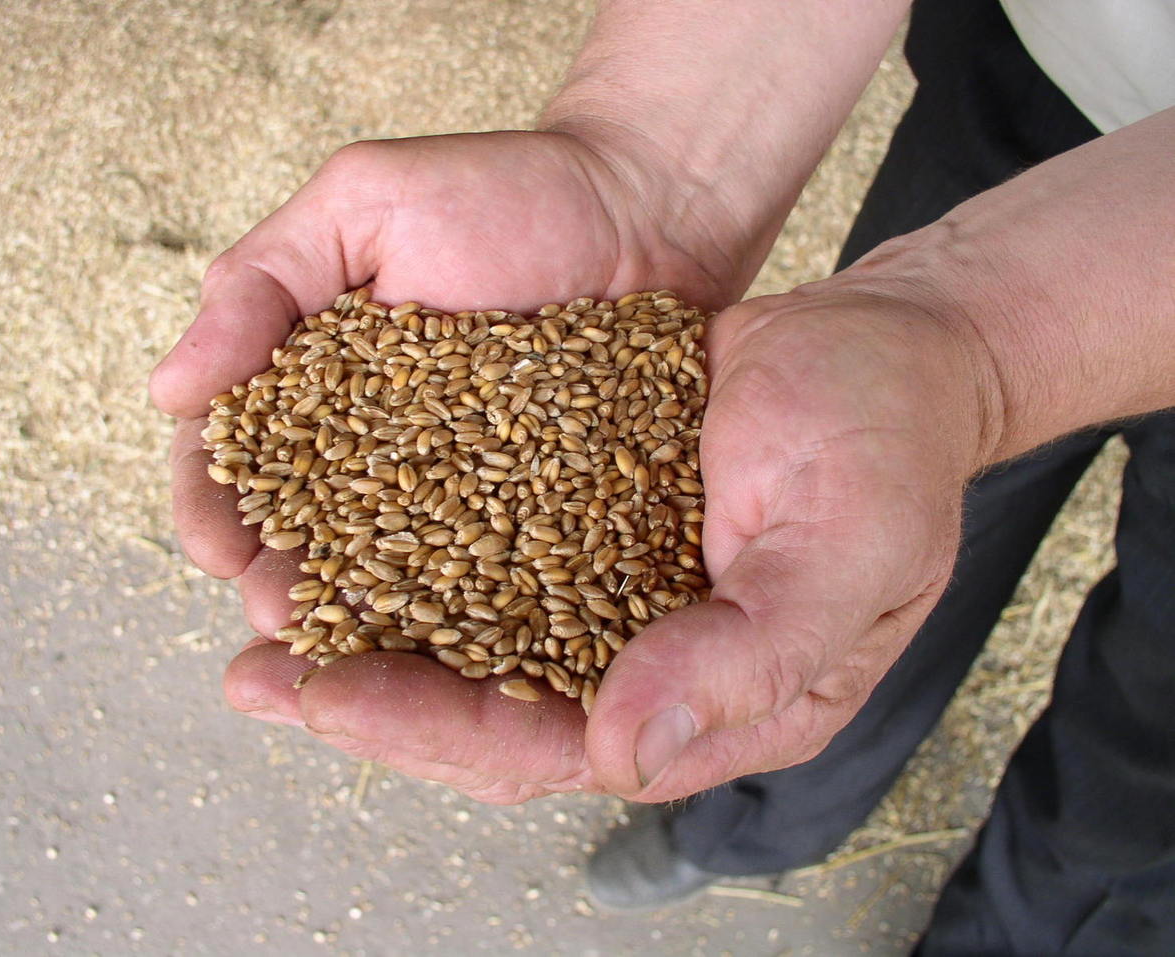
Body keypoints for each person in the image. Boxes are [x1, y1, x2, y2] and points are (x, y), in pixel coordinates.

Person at [149, 0, 1175, 951]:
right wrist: (647, 155)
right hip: (1043, 57)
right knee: (841, 538)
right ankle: (745, 831)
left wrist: (978, 357)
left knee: (1142, 742)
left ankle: (1033, 924)